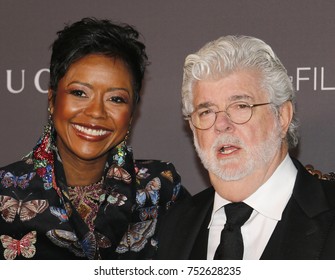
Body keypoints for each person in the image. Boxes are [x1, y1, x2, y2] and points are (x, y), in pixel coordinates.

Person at [0, 17, 188, 260]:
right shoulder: (5, 192)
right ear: (52, 99)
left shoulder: (160, 190)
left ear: (132, 113)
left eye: (116, 99)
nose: (96, 112)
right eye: (80, 93)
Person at [156, 35, 335, 260]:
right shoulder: (175, 224)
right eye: (206, 112)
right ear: (192, 127)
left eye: (240, 106)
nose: (221, 125)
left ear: (282, 116)